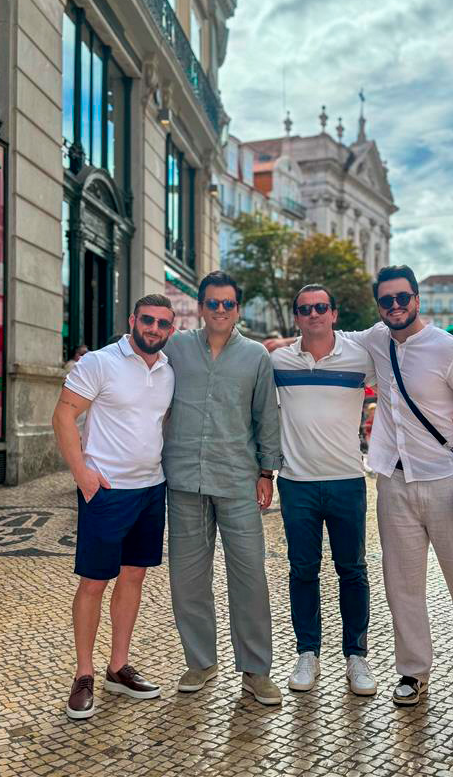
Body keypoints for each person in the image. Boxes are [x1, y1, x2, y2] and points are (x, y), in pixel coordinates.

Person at [341, 265, 453, 711]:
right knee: (401, 585)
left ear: (417, 299)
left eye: (402, 298)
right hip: (393, 482)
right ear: (380, 305)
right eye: (387, 300)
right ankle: (412, 671)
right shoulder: (375, 339)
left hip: (447, 480)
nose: (395, 306)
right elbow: (332, 339)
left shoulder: (452, 350)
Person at [52, 295, 176, 720]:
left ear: (170, 329)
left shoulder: (166, 371)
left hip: (150, 489)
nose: (153, 329)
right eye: (147, 320)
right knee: (93, 583)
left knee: (134, 577)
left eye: (162, 323)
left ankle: (117, 667)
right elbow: (63, 416)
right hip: (106, 492)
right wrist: (82, 475)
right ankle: (83, 674)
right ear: (132, 321)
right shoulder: (99, 363)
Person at [162, 271, 283, 706]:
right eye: (211, 303)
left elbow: (267, 416)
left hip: (237, 479)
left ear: (238, 308)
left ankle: (255, 670)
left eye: (227, 303)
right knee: (187, 579)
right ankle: (200, 661)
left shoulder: (255, 357)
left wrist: (267, 472)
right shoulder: (175, 348)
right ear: (199, 306)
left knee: (249, 575)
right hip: (184, 479)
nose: (219, 310)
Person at [270, 284, 378, 696]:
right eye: (305, 309)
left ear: (334, 313)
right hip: (297, 484)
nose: (313, 314)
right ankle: (307, 653)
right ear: (296, 316)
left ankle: (357, 656)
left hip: (347, 480)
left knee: (352, 570)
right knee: (302, 571)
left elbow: (399, 390)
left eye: (321, 307)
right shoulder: (279, 360)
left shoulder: (359, 358)